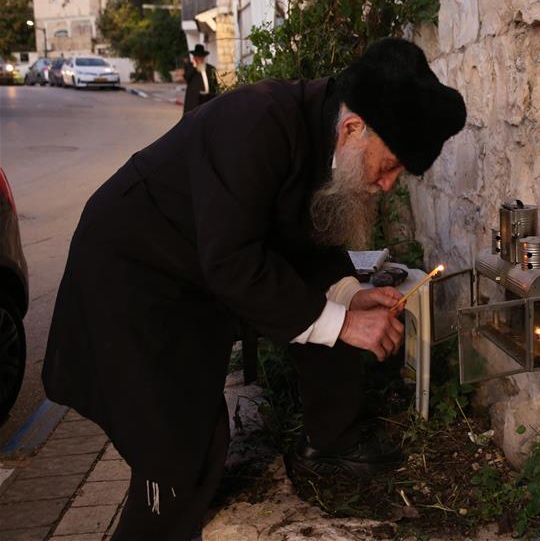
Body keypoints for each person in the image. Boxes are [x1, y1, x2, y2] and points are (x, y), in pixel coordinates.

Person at [42, 38, 467, 540]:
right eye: (390, 164)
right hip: (131, 277)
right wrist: (344, 322)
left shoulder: (321, 124)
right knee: (177, 450)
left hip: (187, 278)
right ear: (354, 128)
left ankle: (324, 440)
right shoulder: (258, 123)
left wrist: (349, 294)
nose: (389, 184)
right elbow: (233, 262)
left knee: (193, 435)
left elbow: (304, 236)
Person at [182, 44, 218, 113]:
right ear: (195, 58)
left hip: (208, 98)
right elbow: (187, 77)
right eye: (198, 57)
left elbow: (215, 85)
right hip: (195, 100)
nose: (200, 59)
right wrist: (194, 66)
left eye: (202, 57)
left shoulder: (210, 68)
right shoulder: (190, 67)